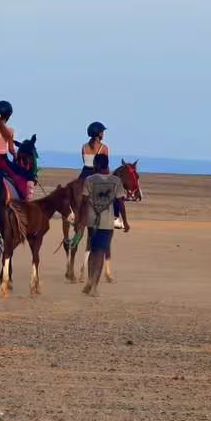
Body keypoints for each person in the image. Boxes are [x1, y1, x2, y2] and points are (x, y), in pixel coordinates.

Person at [81, 153, 130, 297]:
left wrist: (82, 217)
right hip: (107, 222)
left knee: (92, 249)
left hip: (91, 220)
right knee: (101, 252)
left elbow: (84, 200)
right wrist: (125, 221)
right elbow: (121, 203)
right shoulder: (116, 181)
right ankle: (94, 286)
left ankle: (89, 280)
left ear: (96, 164)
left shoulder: (89, 179)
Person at [0, 100, 35, 199]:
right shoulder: (10, 131)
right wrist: (15, 156)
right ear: (8, 115)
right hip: (1, 161)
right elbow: (11, 150)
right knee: (28, 175)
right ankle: (27, 200)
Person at [79, 122, 124, 229]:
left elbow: (85, 163)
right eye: (102, 132)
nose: (103, 134)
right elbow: (105, 166)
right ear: (98, 134)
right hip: (97, 174)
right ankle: (115, 218)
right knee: (114, 193)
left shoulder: (83, 147)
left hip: (84, 175)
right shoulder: (104, 148)